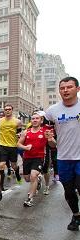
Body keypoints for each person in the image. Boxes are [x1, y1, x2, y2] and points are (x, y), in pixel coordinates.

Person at [45, 76, 80, 231]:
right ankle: (76, 215)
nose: (65, 90)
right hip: (63, 157)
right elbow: (51, 140)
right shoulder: (52, 111)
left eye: (69, 87)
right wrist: (51, 140)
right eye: (62, 88)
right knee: (69, 191)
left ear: (77, 89)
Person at [17, 112, 53, 207]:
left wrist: (50, 139)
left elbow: (53, 145)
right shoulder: (26, 132)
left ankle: (30, 198)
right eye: (33, 119)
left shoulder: (45, 131)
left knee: (33, 175)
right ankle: (39, 179)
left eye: (37, 118)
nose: (35, 120)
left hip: (39, 157)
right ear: (31, 121)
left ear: (41, 120)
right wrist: (25, 148)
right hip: (27, 157)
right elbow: (18, 144)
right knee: (27, 178)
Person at [0, 104, 23, 190]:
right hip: (2, 145)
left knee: (14, 165)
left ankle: (17, 174)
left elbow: (19, 133)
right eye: (6, 109)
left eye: (9, 109)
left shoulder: (17, 122)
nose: (7, 111)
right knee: (1, 165)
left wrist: (19, 136)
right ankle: (1, 186)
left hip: (13, 146)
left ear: (12, 110)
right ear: (4, 111)